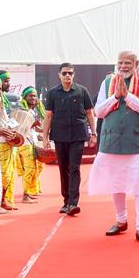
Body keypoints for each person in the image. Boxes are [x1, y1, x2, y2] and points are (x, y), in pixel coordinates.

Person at [88, 51, 139, 244]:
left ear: (136, 63)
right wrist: (116, 96)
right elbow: (99, 111)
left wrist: (128, 97)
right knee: (116, 182)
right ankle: (121, 220)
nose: (123, 66)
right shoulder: (108, 83)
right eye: (120, 62)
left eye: (128, 63)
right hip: (112, 142)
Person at [43, 62, 96, 215]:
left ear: (74, 75)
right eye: (64, 73)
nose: (67, 76)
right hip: (59, 136)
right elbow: (48, 116)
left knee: (74, 168)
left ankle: (73, 203)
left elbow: (89, 113)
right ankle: (66, 201)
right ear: (59, 75)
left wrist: (93, 134)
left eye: (70, 73)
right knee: (63, 169)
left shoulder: (82, 91)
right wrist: (45, 138)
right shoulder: (53, 93)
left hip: (78, 136)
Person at [0, 70, 19, 210]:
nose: (8, 83)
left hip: (7, 138)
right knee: (2, 174)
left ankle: (4, 201)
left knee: (8, 174)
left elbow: (5, 118)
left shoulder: (3, 97)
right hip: (0, 140)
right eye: (6, 80)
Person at [17, 86, 45, 203]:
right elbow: (19, 128)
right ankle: (25, 195)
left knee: (37, 167)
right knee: (30, 169)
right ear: (25, 97)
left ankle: (30, 190)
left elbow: (39, 128)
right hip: (24, 144)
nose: (34, 98)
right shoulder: (22, 110)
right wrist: (33, 125)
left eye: (35, 95)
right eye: (31, 96)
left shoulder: (32, 111)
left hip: (31, 142)